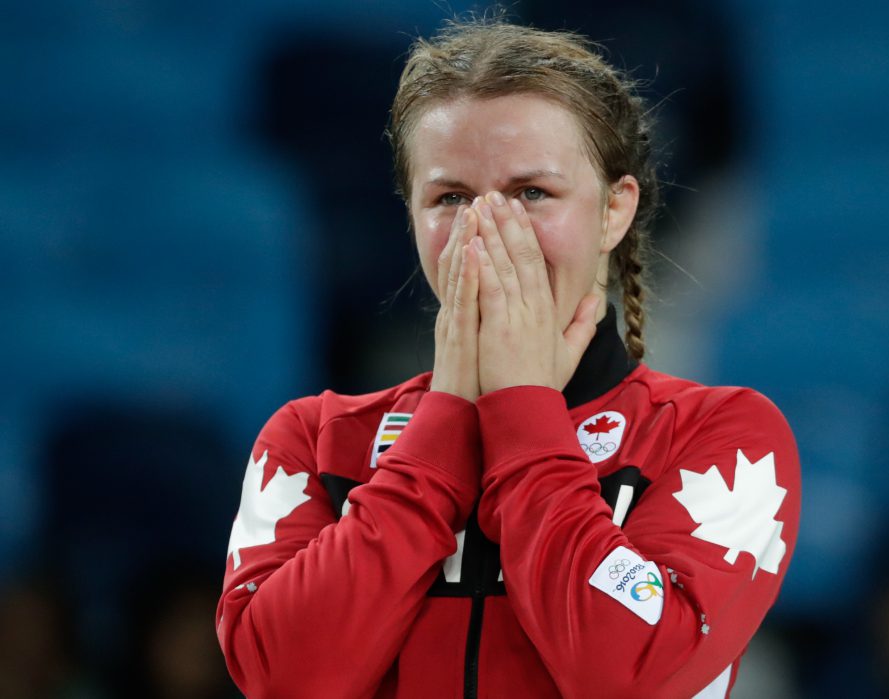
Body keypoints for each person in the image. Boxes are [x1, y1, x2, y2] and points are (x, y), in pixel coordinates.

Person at [215, 15, 801, 699]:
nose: (488, 232)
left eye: (533, 193)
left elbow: (626, 674)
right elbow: (284, 680)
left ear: (614, 210)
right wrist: (445, 428)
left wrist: (522, 411)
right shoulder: (314, 439)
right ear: (410, 216)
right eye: (450, 198)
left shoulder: (722, 436)